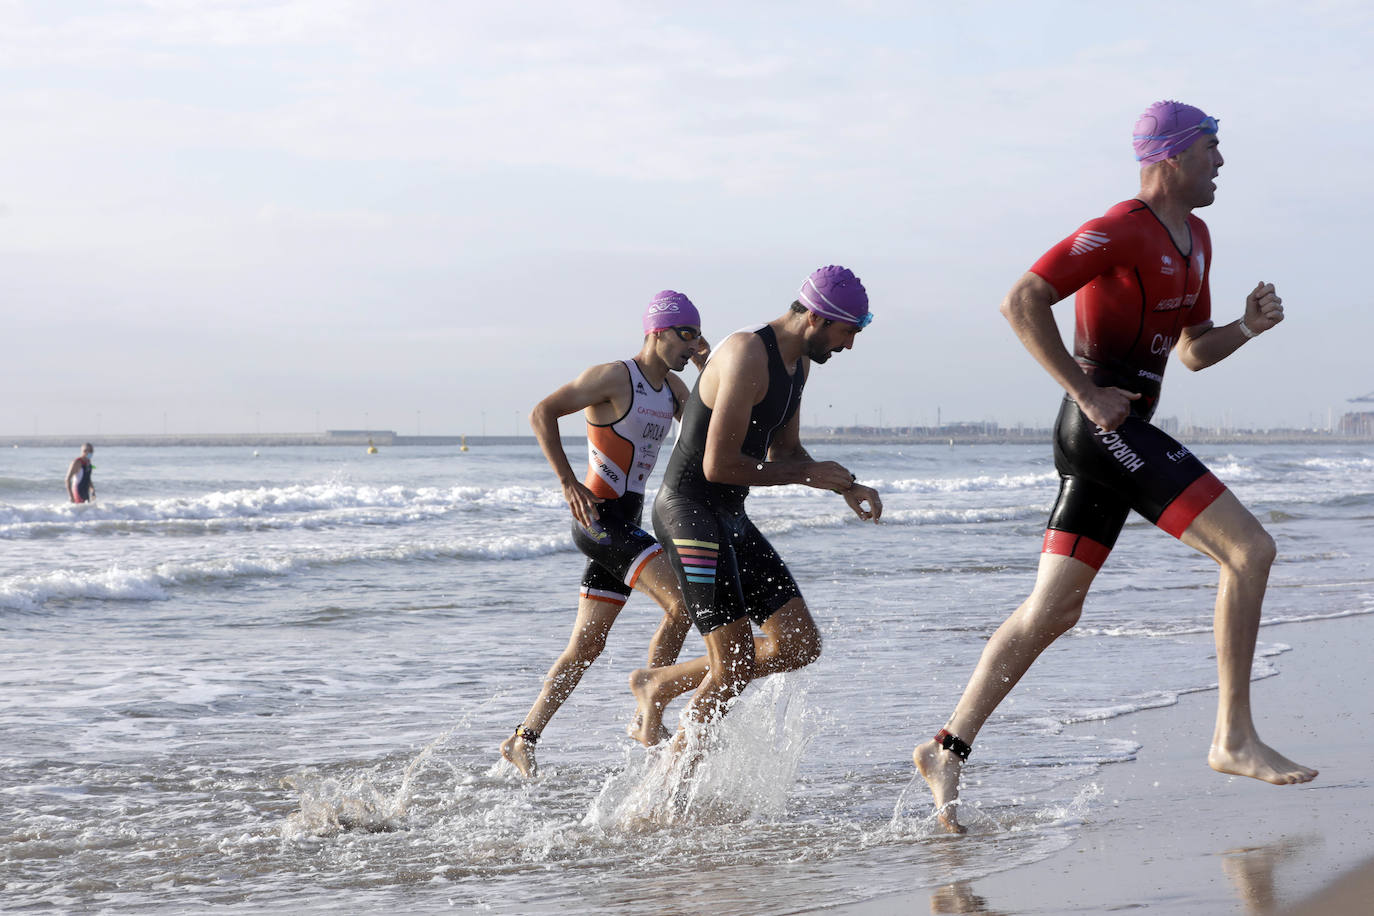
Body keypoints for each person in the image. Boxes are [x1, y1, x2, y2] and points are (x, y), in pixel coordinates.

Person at [914, 100, 1318, 834]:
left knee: (1054, 609)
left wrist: (1247, 328)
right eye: (1211, 149)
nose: (1222, 163)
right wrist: (1085, 390)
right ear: (1171, 156)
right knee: (1250, 549)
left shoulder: (1196, 238)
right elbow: (1021, 300)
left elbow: (1191, 351)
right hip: (1103, 429)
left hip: (1118, 437)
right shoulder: (1121, 227)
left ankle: (947, 747)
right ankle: (1232, 735)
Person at [629, 265, 883, 768]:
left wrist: (844, 486)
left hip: (729, 514)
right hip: (689, 512)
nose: (849, 346)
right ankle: (661, 799)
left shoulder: (798, 367)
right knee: (732, 666)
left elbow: (787, 450)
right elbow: (718, 465)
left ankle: (656, 682)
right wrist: (803, 476)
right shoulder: (746, 352)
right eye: (846, 332)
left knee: (800, 644)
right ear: (815, 317)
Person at [500, 290, 710, 777]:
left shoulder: (675, 390)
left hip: (626, 525)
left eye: (697, 336)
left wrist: (703, 364)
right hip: (599, 521)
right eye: (685, 335)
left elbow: (711, 422)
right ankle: (646, 712)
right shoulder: (616, 377)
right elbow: (541, 413)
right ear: (657, 331)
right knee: (682, 603)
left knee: (586, 646)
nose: (691, 344)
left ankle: (523, 737)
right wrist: (568, 483)